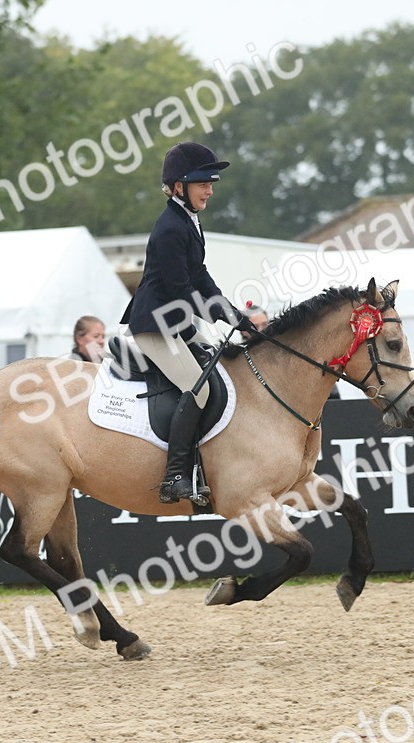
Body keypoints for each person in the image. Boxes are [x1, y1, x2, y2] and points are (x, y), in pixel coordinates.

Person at [119, 141, 256, 503]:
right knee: (200, 388)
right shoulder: (170, 228)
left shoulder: (188, 221)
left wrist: (233, 316)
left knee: (220, 372)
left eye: (211, 183)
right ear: (179, 186)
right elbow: (182, 289)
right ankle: (175, 475)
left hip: (175, 320)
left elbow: (201, 276)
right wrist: (219, 315)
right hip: (156, 324)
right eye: (202, 183)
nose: (210, 190)